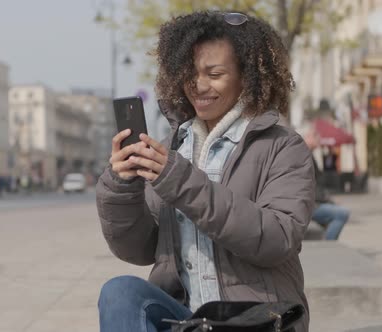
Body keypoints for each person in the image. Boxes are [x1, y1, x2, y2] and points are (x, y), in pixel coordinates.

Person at [96, 11, 315, 332]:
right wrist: (122, 185)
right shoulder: (173, 148)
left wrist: (181, 181)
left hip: (256, 318)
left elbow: (277, 239)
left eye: (214, 74)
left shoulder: (282, 146)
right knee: (120, 292)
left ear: (246, 76)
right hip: (185, 317)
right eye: (190, 73)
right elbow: (139, 250)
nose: (198, 86)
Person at [302, 126, 350, 240]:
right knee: (343, 213)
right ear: (309, 137)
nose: (319, 141)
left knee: (334, 214)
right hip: (309, 205)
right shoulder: (304, 156)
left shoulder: (306, 154)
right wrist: (328, 200)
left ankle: (327, 240)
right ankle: (328, 244)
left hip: (311, 203)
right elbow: (310, 186)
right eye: (317, 138)